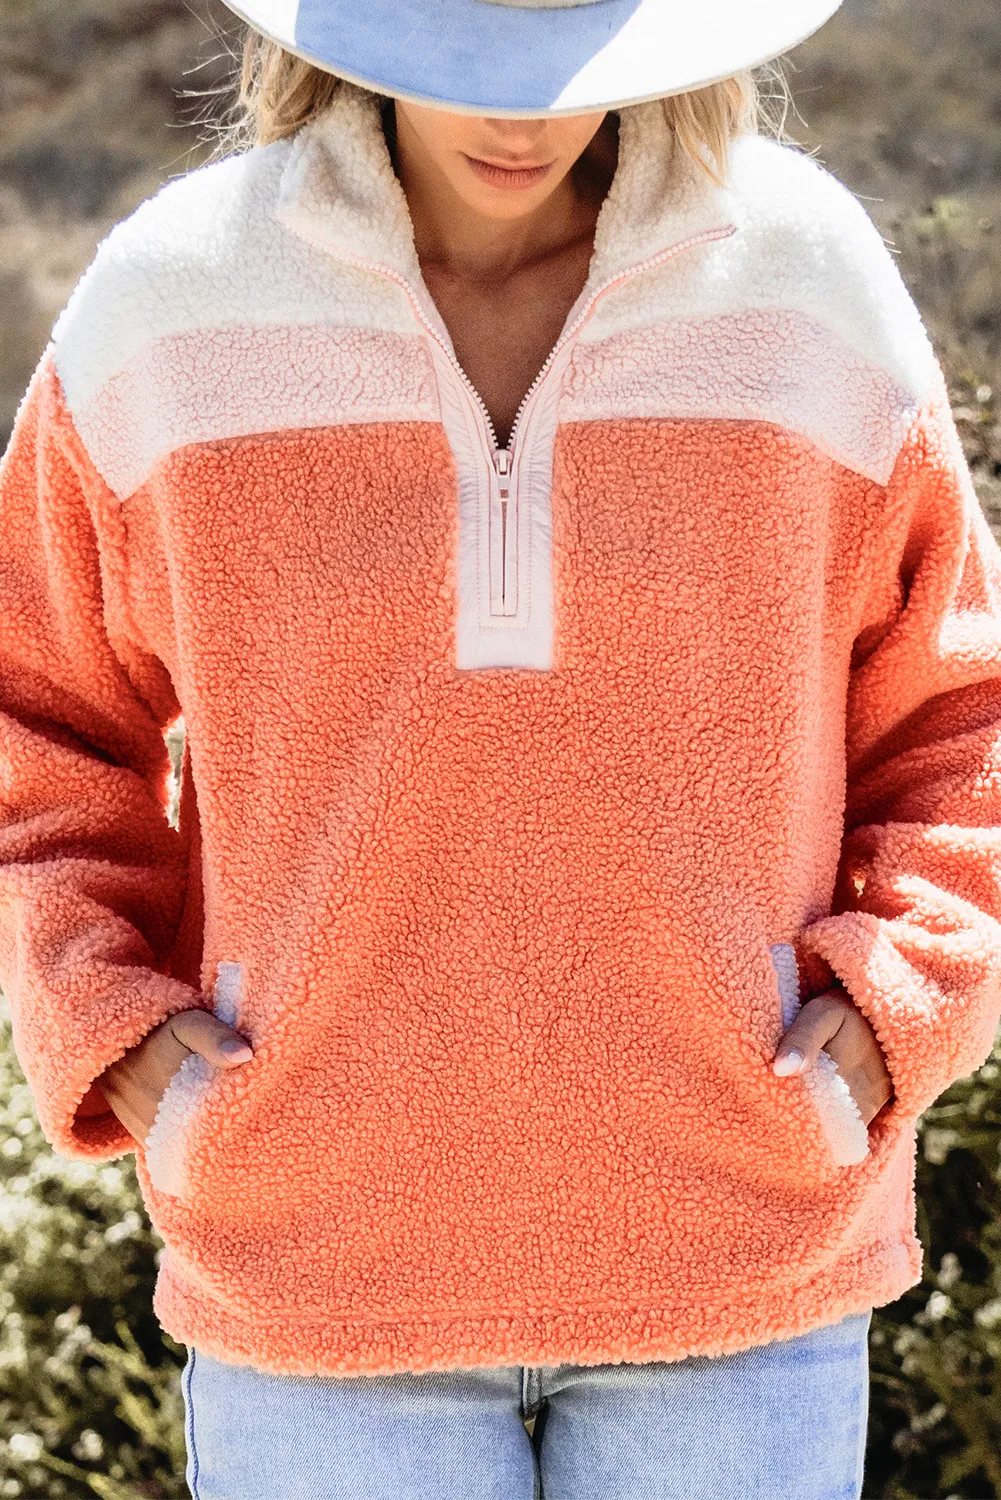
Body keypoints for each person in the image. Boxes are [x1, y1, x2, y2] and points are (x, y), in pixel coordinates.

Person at [1, 0, 999, 1494]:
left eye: (566, 59)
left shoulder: (804, 284)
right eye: (466, 53)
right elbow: (35, 708)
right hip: (318, 1261)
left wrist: (906, 993)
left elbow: (960, 708)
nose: (520, 118)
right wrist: (103, 1013)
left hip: (740, 1248)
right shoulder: (173, 307)